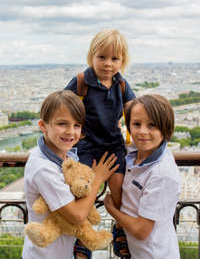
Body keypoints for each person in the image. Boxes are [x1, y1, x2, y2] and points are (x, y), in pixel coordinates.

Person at [64, 29, 136, 258]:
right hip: (87, 143)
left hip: (112, 143)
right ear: (91, 57)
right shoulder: (82, 81)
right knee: (83, 189)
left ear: (122, 61)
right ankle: (84, 234)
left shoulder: (121, 84)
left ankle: (120, 227)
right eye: (102, 57)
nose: (108, 64)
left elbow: (133, 111)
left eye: (114, 59)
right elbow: (62, 106)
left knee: (119, 188)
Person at [22, 90, 118, 259]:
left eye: (76, 126)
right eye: (62, 124)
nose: (71, 132)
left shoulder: (62, 155)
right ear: (43, 126)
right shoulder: (43, 168)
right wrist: (97, 178)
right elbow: (77, 216)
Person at [104, 95, 181, 259]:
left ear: (165, 128)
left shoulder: (162, 174)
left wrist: (112, 210)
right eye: (136, 124)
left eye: (152, 125)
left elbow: (141, 230)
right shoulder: (134, 154)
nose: (142, 132)